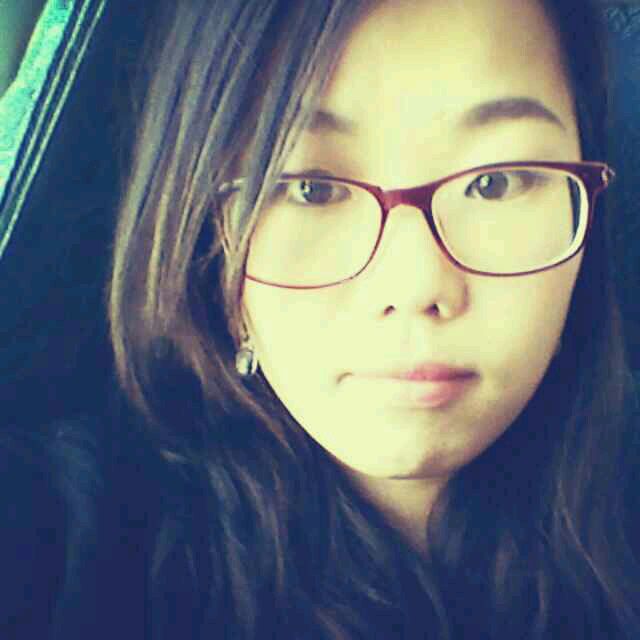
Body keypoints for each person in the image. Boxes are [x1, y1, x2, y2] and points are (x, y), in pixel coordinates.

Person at [5, 0, 639, 638]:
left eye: (496, 182)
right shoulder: (58, 546)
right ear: (208, 239)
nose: (416, 286)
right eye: (310, 188)